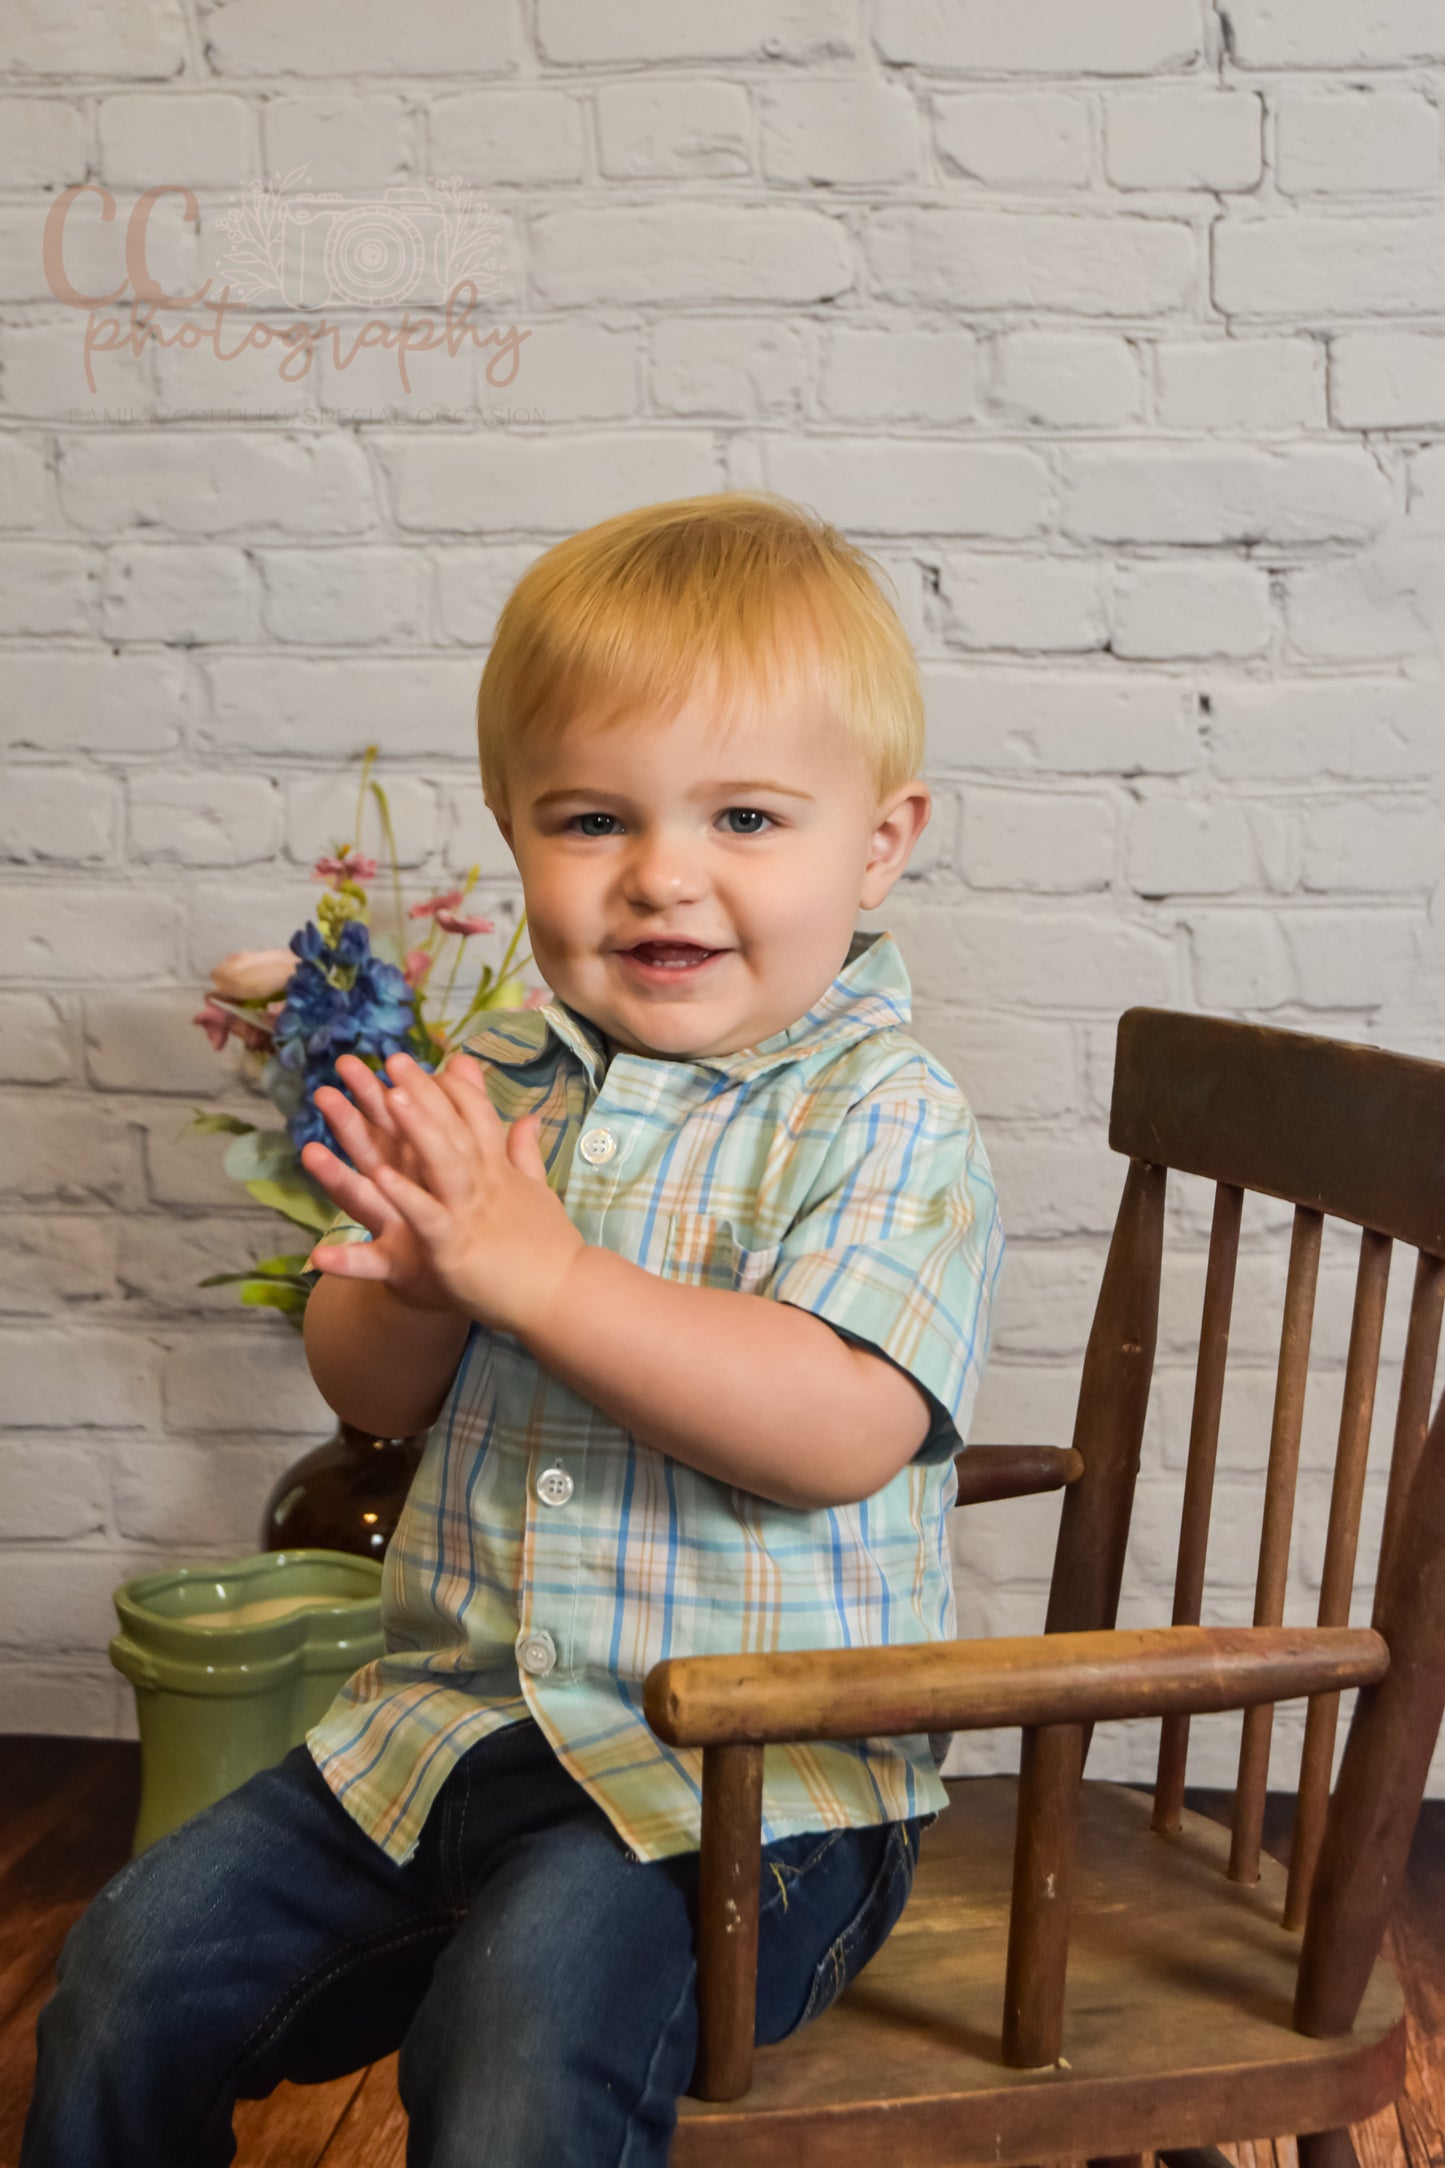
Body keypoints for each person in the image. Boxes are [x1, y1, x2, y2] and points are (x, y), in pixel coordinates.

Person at [23, 489, 1005, 2168]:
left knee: (520, 2024)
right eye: (591, 819)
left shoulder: (885, 1118)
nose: (663, 876)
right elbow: (367, 1392)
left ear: (879, 841)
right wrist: (410, 1286)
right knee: (126, 1966)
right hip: (446, 1730)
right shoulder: (493, 1090)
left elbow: (836, 1432)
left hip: (747, 1801)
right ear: (511, 826)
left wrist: (542, 1279)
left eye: (747, 819)